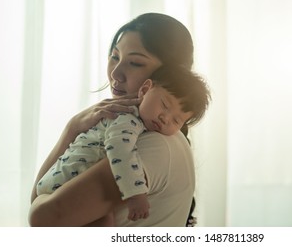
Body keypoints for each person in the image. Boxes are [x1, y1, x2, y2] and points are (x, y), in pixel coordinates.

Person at [29, 13, 204, 227]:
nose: (116, 74)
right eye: (114, 56)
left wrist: (72, 130)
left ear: (170, 75)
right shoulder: (131, 129)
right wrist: (73, 127)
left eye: (135, 63)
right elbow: (42, 198)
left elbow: (43, 217)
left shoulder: (152, 143)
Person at [35, 65, 210, 224]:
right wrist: (135, 193)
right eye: (164, 105)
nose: (165, 118)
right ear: (145, 89)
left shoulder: (157, 141)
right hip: (63, 180)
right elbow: (120, 151)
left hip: (56, 184)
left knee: (104, 221)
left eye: (176, 120)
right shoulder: (127, 119)